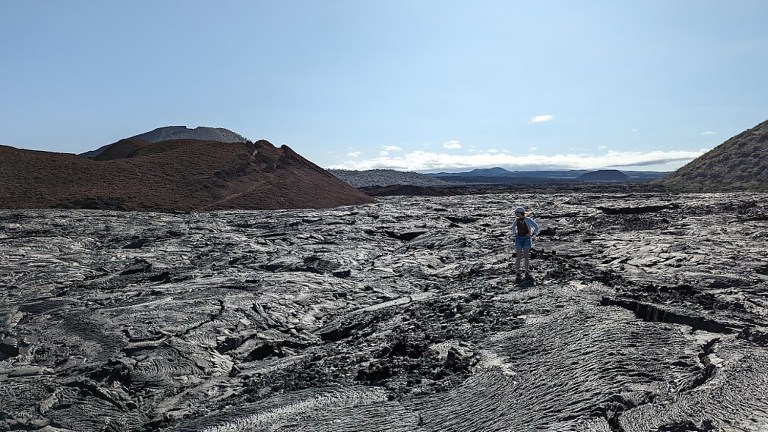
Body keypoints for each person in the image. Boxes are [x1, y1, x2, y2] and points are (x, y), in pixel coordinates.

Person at [512, 206, 540, 283]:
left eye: (516, 213)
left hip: (527, 239)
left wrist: (532, 234)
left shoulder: (528, 220)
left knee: (526, 256)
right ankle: (517, 272)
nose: (516, 214)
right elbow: (513, 227)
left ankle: (526, 271)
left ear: (519, 213)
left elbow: (536, 227)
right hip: (519, 239)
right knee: (518, 256)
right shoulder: (516, 220)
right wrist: (515, 234)